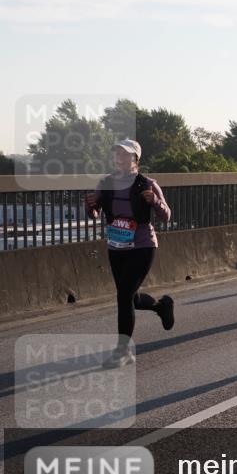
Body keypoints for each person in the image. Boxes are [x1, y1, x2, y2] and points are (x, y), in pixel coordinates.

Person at [85, 139, 174, 369]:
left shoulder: (147, 184)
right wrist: (91, 206)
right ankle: (161, 307)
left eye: (126, 155)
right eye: (118, 154)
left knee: (124, 296)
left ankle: (123, 351)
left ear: (136, 159)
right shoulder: (106, 183)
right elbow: (94, 214)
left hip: (143, 246)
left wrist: (154, 200)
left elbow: (166, 216)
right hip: (117, 247)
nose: (121, 158)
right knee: (130, 298)